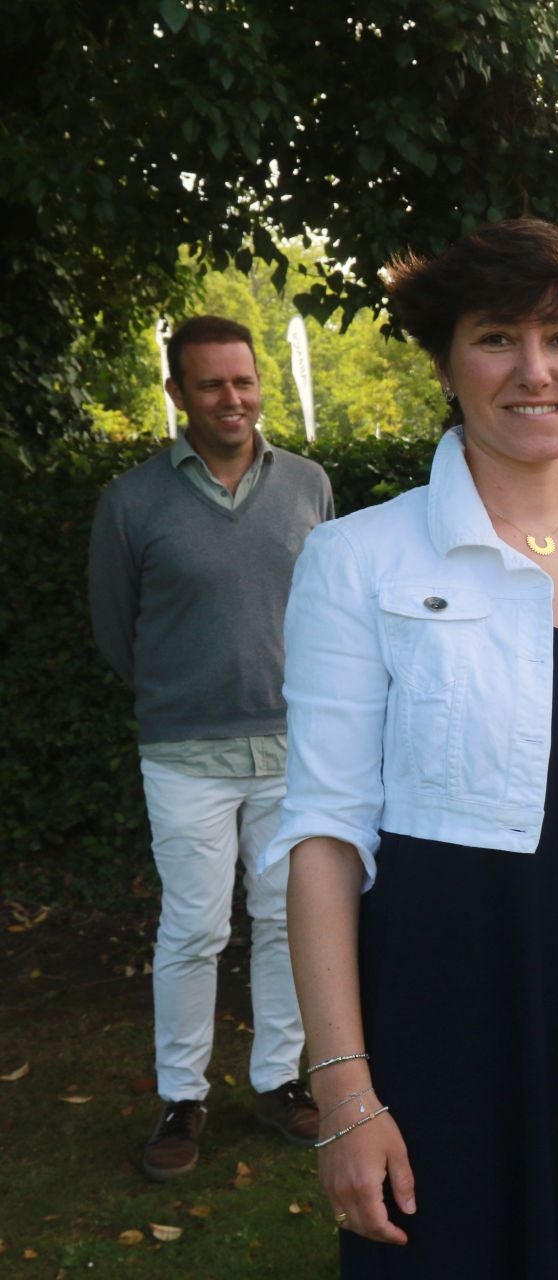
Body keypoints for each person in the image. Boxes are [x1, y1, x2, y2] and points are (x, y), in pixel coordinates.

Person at [264, 219, 558, 1276]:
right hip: (452, 1024)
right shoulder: (356, 559)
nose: (534, 370)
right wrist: (343, 1093)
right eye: (496, 337)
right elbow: (324, 837)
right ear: (445, 361)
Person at [87, 315, 332, 1180]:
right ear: (177, 395)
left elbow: (330, 614)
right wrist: (183, 693)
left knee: (283, 925)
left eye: (244, 380)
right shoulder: (133, 500)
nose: (233, 398)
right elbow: (118, 631)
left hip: (293, 749)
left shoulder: (308, 484)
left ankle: (278, 1083)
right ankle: (181, 1098)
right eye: (211, 385)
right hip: (185, 754)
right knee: (193, 930)